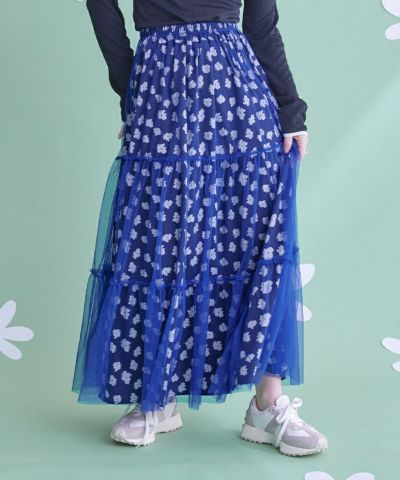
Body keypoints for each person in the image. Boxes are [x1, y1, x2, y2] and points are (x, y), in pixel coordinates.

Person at [72, 0, 328, 457]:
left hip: (236, 89)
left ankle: (267, 406)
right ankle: (156, 395)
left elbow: (261, 22)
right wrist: (132, 91)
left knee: (256, 241)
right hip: (159, 85)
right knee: (158, 239)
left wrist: (291, 110)